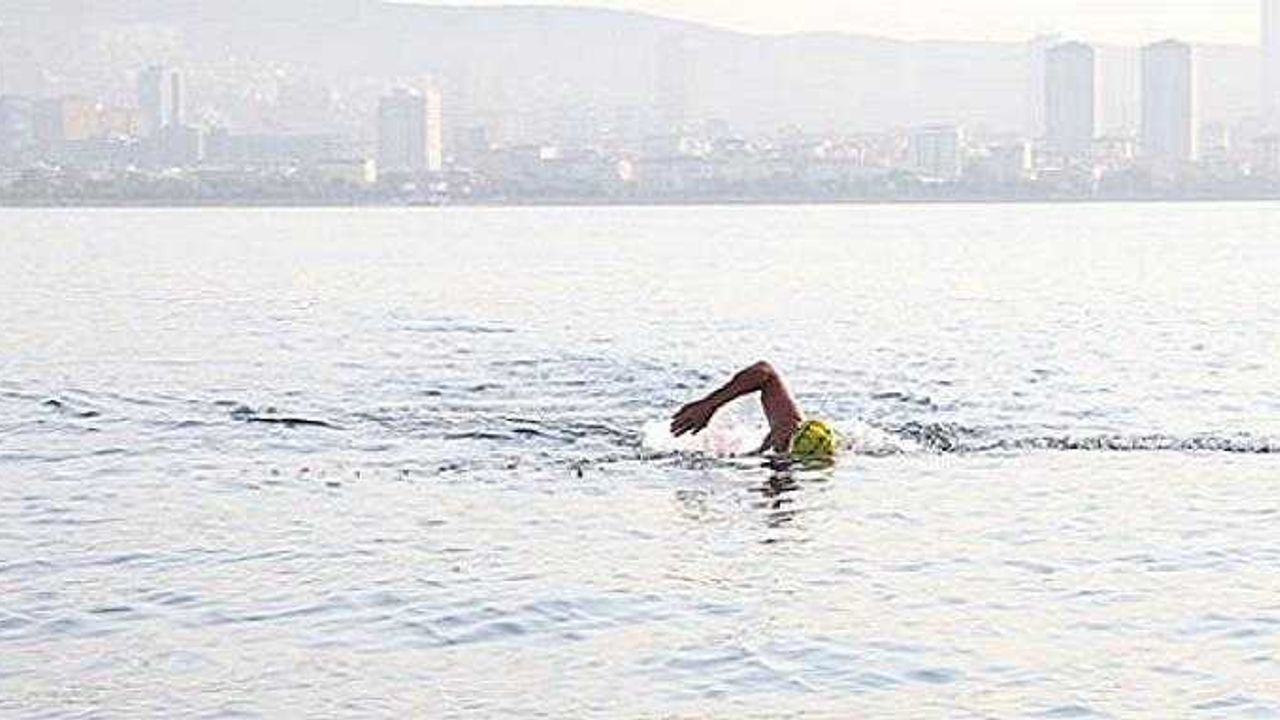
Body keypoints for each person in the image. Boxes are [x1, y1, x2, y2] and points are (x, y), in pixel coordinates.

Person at [670, 361, 840, 459]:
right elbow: (764, 371)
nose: (782, 436)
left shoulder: (784, 475)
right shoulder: (789, 426)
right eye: (789, 433)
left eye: (786, 441)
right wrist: (709, 405)